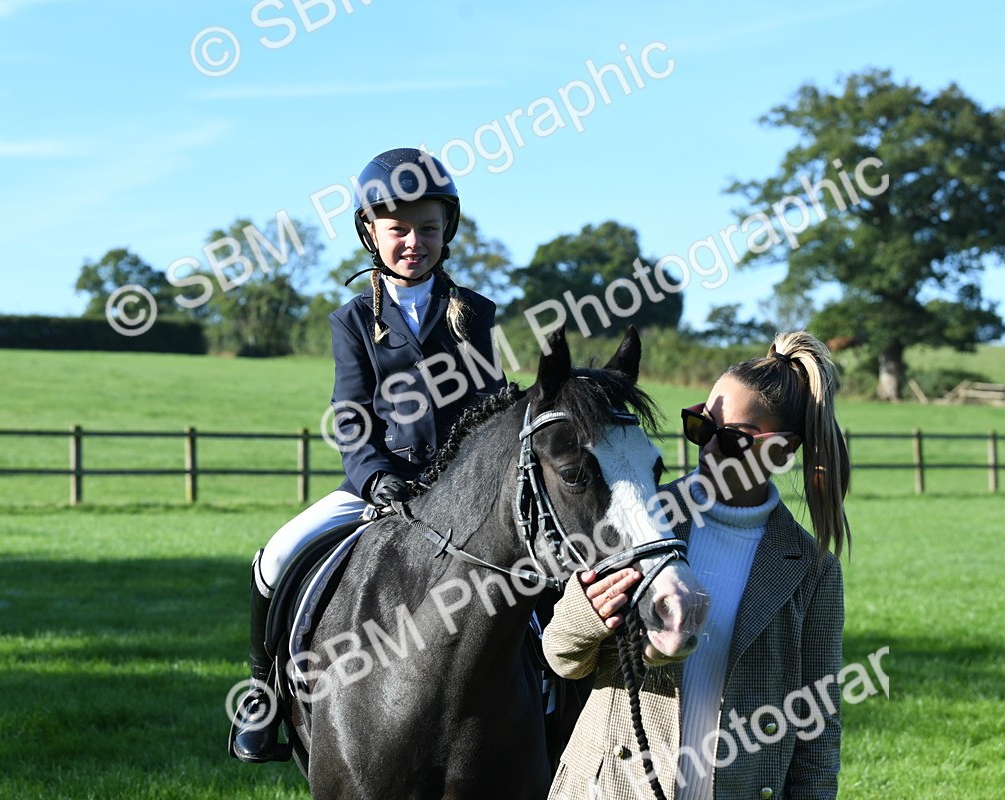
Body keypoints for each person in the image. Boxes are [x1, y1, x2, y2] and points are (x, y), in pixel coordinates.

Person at [229, 148, 506, 762]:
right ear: (370, 233)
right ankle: (262, 693)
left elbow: (489, 408)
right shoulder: (353, 320)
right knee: (275, 556)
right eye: (399, 229)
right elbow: (351, 414)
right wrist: (376, 477)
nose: (414, 241)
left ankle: (563, 691)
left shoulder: (477, 315)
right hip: (379, 487)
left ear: (447, 232)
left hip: (464, 492)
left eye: (427, 228)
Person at [543, 330, 850, 800]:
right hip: (610, 787)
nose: (707, 449)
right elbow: (562, 658)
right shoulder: (642, 519)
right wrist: (587, 611)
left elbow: (817, 722)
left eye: (731, 439)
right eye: (701, 427)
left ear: (783, 452)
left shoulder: (811, 568)